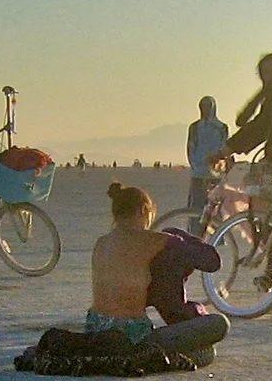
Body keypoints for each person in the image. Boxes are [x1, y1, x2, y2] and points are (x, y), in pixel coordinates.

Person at [82, 184, 231, 361]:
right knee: (219, 324)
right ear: (144, 210)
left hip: (95, 331)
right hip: (133, 340)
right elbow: (211, 261)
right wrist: (178, 234)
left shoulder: (102, 243)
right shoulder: (154, 240)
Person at [185, 96, 230, 214]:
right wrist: (195, 165)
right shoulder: (195, 127)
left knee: (215, 209)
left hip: (215, 173)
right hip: (198, 173)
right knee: (196, 209)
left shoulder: (221, 127)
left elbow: (224, 147)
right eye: (202, 106)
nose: (204, 109)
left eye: (207, 106)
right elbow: (191, 147)